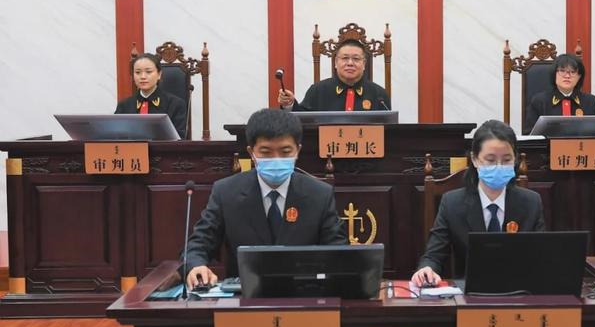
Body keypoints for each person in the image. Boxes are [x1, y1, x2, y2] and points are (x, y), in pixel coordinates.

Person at [183, 108, 347, 289]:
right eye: (266, 152)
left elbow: (339, 251)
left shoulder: (319, 194)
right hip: (244, 294)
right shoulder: (226, 192)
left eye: (285, 152)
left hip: (305, 293)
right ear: (251, 152)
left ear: (298, 151)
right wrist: (196, 265)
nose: (276, 159)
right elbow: (199, 243)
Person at [411, 120, 545, 287]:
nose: (499, 167)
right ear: (474, 159)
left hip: (519, 291)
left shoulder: (531, 203)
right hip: (469, 292)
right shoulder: (452, 203)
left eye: (506, 160)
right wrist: (427, 269)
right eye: (490, 160)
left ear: (515, 160)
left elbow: (541, 256)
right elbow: (434, 255)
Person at [277, 39, 391, 111]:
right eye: (345, 58)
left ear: (364, 64)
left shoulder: (379, 95)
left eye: (356, 59)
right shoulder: (318, 90)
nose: (350, 63)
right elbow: (302, 120)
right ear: (336, 62)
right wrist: (289, 104)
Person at [115, 53, 187, 139]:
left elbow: (178, 139)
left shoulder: (176, 104)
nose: (143, 77)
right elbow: (115, 136)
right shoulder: (124, 105)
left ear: (159, 74)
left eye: (148, 72)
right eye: (138, 72)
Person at [524, 53, 595, 133]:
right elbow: (529, 134)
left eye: (573, 72)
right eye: (562, 71)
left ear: (579, 76)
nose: (567, 76)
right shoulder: (539, 102)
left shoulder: (590, 102)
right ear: (554, 74)